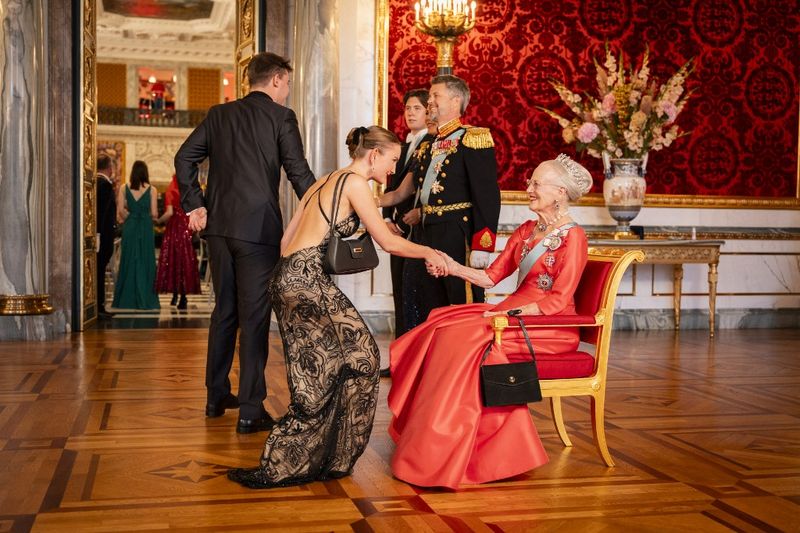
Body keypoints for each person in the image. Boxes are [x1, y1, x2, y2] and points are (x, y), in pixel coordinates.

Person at [227, 126, 449, 489]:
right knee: (358, 359)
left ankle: (325, 457)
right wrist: (428, 251)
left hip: (287, 276)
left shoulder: (326, 179)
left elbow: (286, 240)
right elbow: (388, 244)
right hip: (306, 280)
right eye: (392, 160)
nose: (392, 169)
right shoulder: (356, 183)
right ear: (374, 155)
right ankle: (309, 459)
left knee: (336, 363)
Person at [387, 154, 593, 489]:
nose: (528, 189)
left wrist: (506, 315)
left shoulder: (574, 238)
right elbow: (490, 278)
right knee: (442, 325)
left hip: (548, 327)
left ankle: (474, 449)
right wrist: (452, 266)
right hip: (512, 316)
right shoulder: (527, 231)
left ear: (559, 193)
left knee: (468, 340)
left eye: (536, 184)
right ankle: (431, 438)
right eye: (530, 182)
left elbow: (557, 300)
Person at [175, 52, 316, 434]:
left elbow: (184, 156)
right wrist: (325, 207)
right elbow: (297, 171)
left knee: (224, 312)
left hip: (219, 229)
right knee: (253, 319)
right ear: (275, 80)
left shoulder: (219, 115)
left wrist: (195, 204)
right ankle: (251, 410)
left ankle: (215, 395)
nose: (287, 90)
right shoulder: (281, 117)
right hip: (258, 231)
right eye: (287, 83)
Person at [378, 74, 501, 330]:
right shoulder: (428, 145)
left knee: (458, 301)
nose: (430, 101)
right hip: (425, 233)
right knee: (423, 300)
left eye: (435, 96)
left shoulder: (473, 138)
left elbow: (487, 196)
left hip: (456, 233)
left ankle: (462, 362)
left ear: (456, 101)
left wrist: (483, 244)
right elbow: (402, 193)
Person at [111, 160, 160, 310]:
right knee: (146, 261)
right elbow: (154, 213)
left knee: (128, 259)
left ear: (132, 172)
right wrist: (144, 216)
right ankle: (147, 298)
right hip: (145, 226)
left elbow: (120, 211)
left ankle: (126, 299)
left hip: (130, 226)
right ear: (146, 173)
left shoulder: (124, 188)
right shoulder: (152, 190)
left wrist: (131, 217)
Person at [155, 175, 201, 310]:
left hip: (174, 229)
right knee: (184, 263)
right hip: (187, 229)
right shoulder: (189, 190)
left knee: (173, 261)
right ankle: (183, 297)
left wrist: (158, 221)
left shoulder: (171, 190)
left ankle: (175, 294)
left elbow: (169, 213)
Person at [96, 154, 117, 319]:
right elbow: (102, 215)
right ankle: (99, 306)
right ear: (109, 168)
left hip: (98, 236)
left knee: (98, 270)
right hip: (102, 237)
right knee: (100, 270)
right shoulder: (105, 185)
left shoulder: (94, 182)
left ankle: (98, 305)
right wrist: (99, 236)